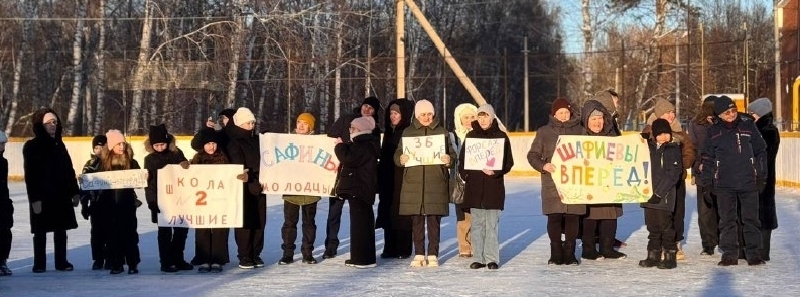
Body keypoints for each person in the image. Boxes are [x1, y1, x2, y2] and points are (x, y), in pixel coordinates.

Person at [700, 95, 767, 266]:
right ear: (719, 115)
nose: (731, 114)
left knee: (751, 219)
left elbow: (761, 152)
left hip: (748, 181)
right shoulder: (713, 132)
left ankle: (753, 253)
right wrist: (707, 183)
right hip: (724, 184)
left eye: (733, 110)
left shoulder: (748, 125)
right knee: (727, 220)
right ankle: (730, 254)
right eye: (727, 112)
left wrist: (761, 175)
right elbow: (707, 158)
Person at [395, 99, 456, 267]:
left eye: (429, 114)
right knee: (417, 222)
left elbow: (452, 155)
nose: (427, 117)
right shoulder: (408, 132)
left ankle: (433, 254)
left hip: (435, 183)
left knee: (434, 222)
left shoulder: (442, 132)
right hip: (413, 184)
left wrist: (449, 159)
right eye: (423, 114)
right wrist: (401, 159)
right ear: (417, 115)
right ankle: (419, 253)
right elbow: (398, 154)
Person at [527, 98, 585, 265]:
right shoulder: (544, 132)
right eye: (560, 113)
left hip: (575, 182)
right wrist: (543, 165)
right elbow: (532, 155)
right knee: (555, 218)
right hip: (552, 183)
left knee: (573, 217)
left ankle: (570, 252)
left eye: (566, 112)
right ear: (554, 114)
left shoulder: (581, 131)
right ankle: (556, 252)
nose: (564, 115)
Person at [22, 108, 81, 273]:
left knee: (61, 230)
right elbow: (31, 175)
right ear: (41, 125)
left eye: (54, 122)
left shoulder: (60, 145)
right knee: (40, 232)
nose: (52, 125)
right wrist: (35, 199)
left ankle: (61, 262)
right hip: (42, 196)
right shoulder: (32, 146)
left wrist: (74, 191)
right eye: (48, 122)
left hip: (61, 195)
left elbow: (69, 171)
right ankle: (39, 264)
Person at [324, 97, 381, 259]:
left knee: (359, 215)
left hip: (359, 178)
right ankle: (331, 246)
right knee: (334, 211)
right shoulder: (346, 119)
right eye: (366, 106)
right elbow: (329, 137)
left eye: (372, 109)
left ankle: (359, 250)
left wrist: (350, 149)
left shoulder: (374, 129)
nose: (367, 110)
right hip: (337, 172)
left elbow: (375, 150)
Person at [458, 104, 513, 270]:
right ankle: (478, 258)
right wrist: (467, 175)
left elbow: (508, 163)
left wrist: (496, 172)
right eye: (480, 117)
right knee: (477, 226)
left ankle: (491, 259)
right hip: (474, 189)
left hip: (493, 189)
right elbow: (462, 162)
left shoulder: (501, 137)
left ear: (492, 117)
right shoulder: (471, 136)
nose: (482, 120)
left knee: (491, 226)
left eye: (486, 116)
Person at [641, 98, 695, 260]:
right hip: (653, 180)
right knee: (656, 216)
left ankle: (675, 244)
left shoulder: (680, 132)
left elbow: (689, 152)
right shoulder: (647, 132)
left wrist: (678, 165)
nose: (671, 115)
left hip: (675, 179)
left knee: (677, 212)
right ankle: (657, 247)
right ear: (658, 114)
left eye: (672, 112)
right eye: (667, 113)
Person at [579, 100, 626, 260]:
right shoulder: (579, 138)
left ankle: (607, 248)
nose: (597, 122)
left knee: (609, 215)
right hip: (590, 184)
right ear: (586, 121)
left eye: (600, 118)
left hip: (609, 183)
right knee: (590, 217)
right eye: (593, 119)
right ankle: (588, 249)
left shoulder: (613, 136)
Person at [144, 123, 192, 273]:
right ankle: (166, 261)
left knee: (181, 231)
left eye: (162, 144)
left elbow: (186, 170)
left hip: (180, 199)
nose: (159, 147)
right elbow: (149, 183)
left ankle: (178, 258)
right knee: (164, 233)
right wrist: (152, 202)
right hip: (161, 201)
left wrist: (186, 164)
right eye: (156, 145)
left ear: (167, 142)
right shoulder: (150, 159)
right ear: (151, 145)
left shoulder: (176, 153)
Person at [335, 116, 380, 268]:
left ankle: (363, 259)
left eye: (352, 128)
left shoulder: (363, 145)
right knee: (362, 224)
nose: (350, 131)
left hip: (359, 188)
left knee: (360, 225)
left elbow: (349, 159)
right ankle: (361, 256)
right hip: (363, 189)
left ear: (360, 130)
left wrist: (339, 147)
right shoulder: (367, 144)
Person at [638, 119, 683, 269]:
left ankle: (670, 255)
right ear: (654, 135)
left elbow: (673, 174)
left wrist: (659, 193)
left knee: (665, 226)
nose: (664, 137)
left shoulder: (673, 149)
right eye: (660, 134)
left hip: (664, 196)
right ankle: (653, 255)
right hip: (648, 195)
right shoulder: (649, 148)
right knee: (652, 227)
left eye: (666, 133)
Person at [225, 107, 267, 269]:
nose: (251, 125)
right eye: (248, 123)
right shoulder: (234, 142)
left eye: (252, 122)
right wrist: (250, 180)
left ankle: (256, 253)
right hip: (244, 187)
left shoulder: (257, 140)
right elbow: (238, 165)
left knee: (260, 221)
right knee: (245, 222)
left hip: (262, 185)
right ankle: (244, 255)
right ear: (239, 123)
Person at [279, 113, 322, 265]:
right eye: (299, 122)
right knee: (289, 224)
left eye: (305, 123)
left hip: (310, 191)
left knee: (309, 223)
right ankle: (287, 253)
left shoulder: (318, 144)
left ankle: (307, 253)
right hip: (291, 191)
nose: (301, 126)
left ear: (310, 127)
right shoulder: (286, 142)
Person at [98, 129, 142, 274]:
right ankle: (116, 263)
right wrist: (85, 181)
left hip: (127, 204)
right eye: (118, 144)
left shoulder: (132, 162)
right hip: (109, 205)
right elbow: (95, 180)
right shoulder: (104, 163)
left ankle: (132, 263)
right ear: (111, 146)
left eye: (123, 143)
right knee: (113, 235)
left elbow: (139, 180)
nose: (122, 147)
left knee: (130, 234)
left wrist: (145, 177)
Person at [376, 99, 415, 259]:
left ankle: (404, 248)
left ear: (404, 115)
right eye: (391, 113)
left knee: (403, 212)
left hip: (403, 178)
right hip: (388, 178)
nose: (393, 116)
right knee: (388, 211)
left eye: (396, 113)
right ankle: (389, 247)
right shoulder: (388, 132)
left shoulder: (409, 132)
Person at [189, 128, 232, 272]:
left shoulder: (224, 158)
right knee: (202, 230)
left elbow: (230, 177)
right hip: (201, 201)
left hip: (219, 200)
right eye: (208, 143)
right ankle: (203, 259)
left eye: (214, 143)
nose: (211, 146)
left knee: (220, 229)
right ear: (203, 145)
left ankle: (218, 260)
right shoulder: (197, 159)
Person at [747, 97, 780, 261]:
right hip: (754, 178)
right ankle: (754, 249)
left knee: (764, 214)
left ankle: (762, 251)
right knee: (755, 213)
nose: (750, 115)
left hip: (764, 179)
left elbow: (765, 156)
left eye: (752, 113)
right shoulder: (755, 130)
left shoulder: (769, 131)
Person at [689, 96, 719, 256]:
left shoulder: (722, 123)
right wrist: (695, 169)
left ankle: (722, 239)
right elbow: (693, 148)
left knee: (721, 208)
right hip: (704, 172)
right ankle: (708, 243)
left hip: (722, 172)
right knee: (705, 209)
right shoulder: (696, 124)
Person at [451, 102, 478, 258]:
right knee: (462, 216)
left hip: (478, 180)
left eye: (472, 116)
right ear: (459, 119)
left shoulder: (482, 134)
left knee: (477, 214)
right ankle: (464, 245)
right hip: (460, 181)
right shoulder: (453, 136)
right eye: (465, 117)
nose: (469, 120)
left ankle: (477, 243)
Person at [80, 135, 110, 270]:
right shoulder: (90, 164)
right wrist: (84, 205)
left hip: (111, 204)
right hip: (96, 204)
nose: (99, 150)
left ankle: (110, 257)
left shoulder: (112, 162)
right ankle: (98, 259)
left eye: (102, 147)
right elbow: (84, 186)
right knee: (97, 233)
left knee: (111, 232)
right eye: (96, 147)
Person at [0, 131, 12, 276]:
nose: (3, 146)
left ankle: (2, 260)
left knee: (5, 233)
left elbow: (5, 184)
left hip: (3, 202)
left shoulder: (4, 162)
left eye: (3, 144)